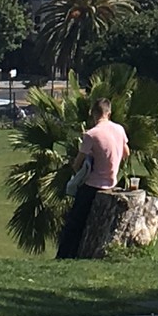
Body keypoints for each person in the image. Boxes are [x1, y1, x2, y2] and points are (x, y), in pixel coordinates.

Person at [56, 97, 132, 259]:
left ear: (93, 113)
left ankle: (65, 255)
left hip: (94, 184)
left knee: (74, 222)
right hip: (112, 182)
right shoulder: (119, 129)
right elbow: (126, 153)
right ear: (109, 113)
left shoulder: (91, 134)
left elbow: (77, 164)